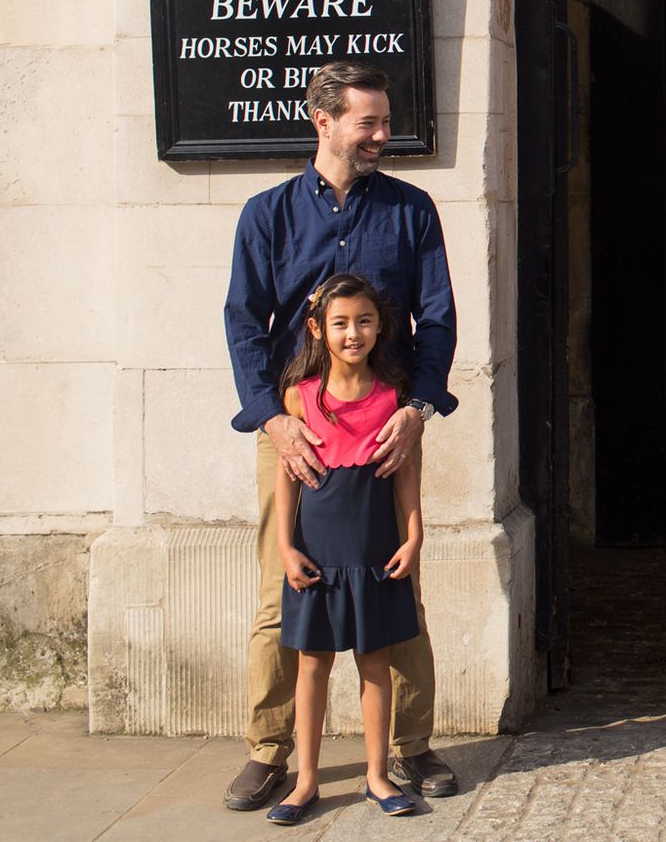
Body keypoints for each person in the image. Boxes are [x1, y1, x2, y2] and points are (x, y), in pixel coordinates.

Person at [222, 61, 460, 811]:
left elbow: (438, 318)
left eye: (385, 122)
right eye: (370, 123)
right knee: (281, 589)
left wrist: (417, 409)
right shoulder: (266, 215)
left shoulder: (412, 211)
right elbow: (242, 321)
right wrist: (272, 416)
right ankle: (269, 748)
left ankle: (409, 744)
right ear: (322, 120)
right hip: (296, 430)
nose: (384, 136)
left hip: (388, 427)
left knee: (397, 587)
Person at [268, 274, 424, 825]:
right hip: (315, 551)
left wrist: (414, 535)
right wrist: (285, 546)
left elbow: (404, 478)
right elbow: (287, 479)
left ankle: (377, 776)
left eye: (364, 321)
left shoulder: (393, 398)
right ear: (317, 329)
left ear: (381, 326)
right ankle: (306, 780)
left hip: (375, 550)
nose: (352, 333)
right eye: (340, 323)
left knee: (374, 663)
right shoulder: (299, 397)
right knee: (312, 664)